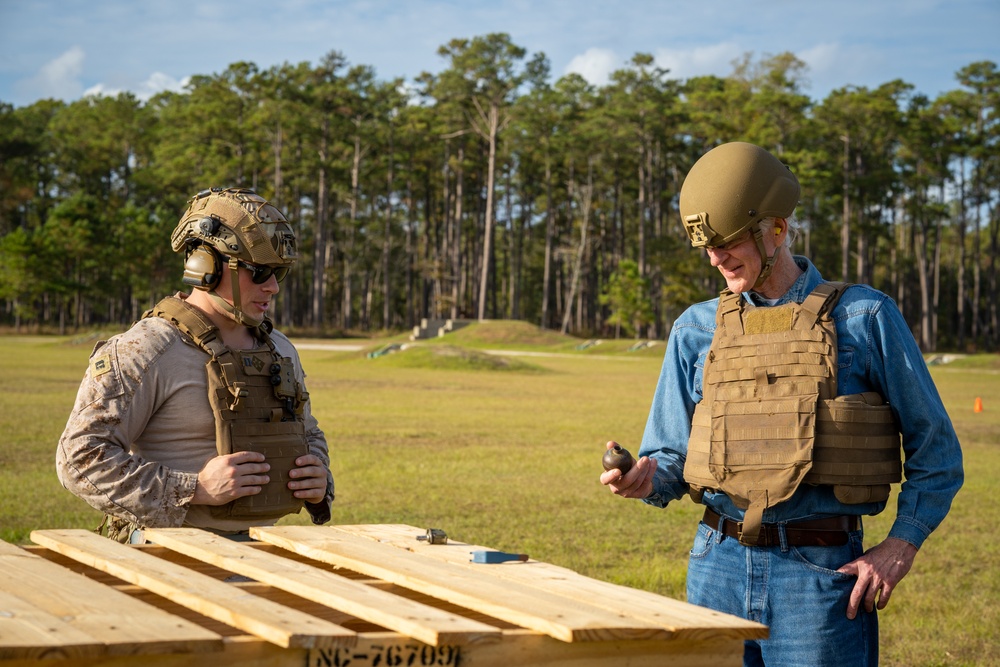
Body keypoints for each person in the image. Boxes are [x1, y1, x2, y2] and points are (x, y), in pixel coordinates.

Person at [600, 142, 963, 666]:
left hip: (818, 576)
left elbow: (938, 452)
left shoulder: (865, 317)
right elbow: (673, 459)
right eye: (706, 247)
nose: (716, 259)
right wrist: (644, 477)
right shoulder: (695, 330)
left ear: (776, 227)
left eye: (727, 242)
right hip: (715, 565)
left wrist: (901, 545)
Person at [57, 187, 334, 542]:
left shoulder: (279, 348)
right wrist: (193, 489)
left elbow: (307, 431)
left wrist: (318, 477)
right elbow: (79, 458)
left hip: (263, 550)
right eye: (259, 272)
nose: (273, 288)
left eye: (279, 274)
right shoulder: (149, 348)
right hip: (168, 553)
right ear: (206, 266)